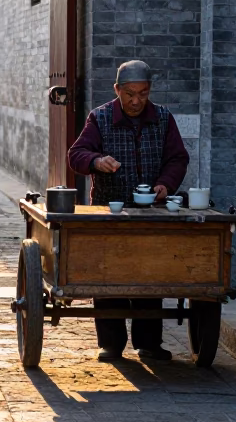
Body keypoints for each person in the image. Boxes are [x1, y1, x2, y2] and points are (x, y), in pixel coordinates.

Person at [67, 59, 189, 364]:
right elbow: (76, 154)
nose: (136, 101)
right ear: (117, 90)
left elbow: (177, 158)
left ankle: (148, 343)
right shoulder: (100, 117)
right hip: (110, 211)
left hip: (152, 213)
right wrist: (96, 161)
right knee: (108, 275)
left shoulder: (163, 118)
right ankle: (110, 343)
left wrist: (164, 184)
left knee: (150, 274)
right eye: (130, 94)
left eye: (143, 94)